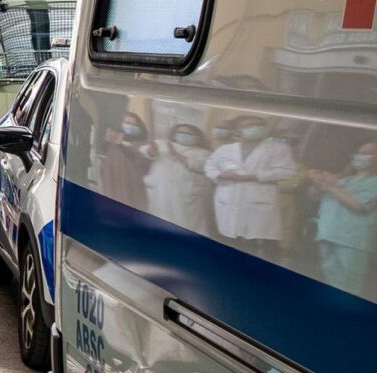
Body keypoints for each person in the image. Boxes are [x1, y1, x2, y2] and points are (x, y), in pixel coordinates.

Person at [204, 117, 299, 254]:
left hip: (259, 201)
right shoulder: (225, 149)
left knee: (259, 244)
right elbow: (209, 166)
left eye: (258, 125)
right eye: (248, 126)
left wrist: (251, 177)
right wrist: (220, 175)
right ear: (237, 130)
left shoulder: (278, 149)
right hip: (229, 199)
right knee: (229, 241)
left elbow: (287, 172)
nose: (254, 128)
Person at [311, 142, 377, 288]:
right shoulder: (343, 180)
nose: (359, 156)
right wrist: (317, 183)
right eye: (359, 153)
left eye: (366, 153)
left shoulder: (374, 183)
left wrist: (329, 186)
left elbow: (359, 206)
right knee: (332, 282)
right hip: (328, 235)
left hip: (352, 241)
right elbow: (314, 197)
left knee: (349, 286)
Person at [144, 122, 215, 233]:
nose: (183, 135)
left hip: (187, 194)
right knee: (160, 218)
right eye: (180, 132)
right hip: (161, 191)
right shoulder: (163, 144)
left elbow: (200, 166)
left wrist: (176, 155)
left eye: (188, 133)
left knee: (187, 224)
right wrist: (151, 149)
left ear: (198, 137)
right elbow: (146, 152)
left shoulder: (204, 152)